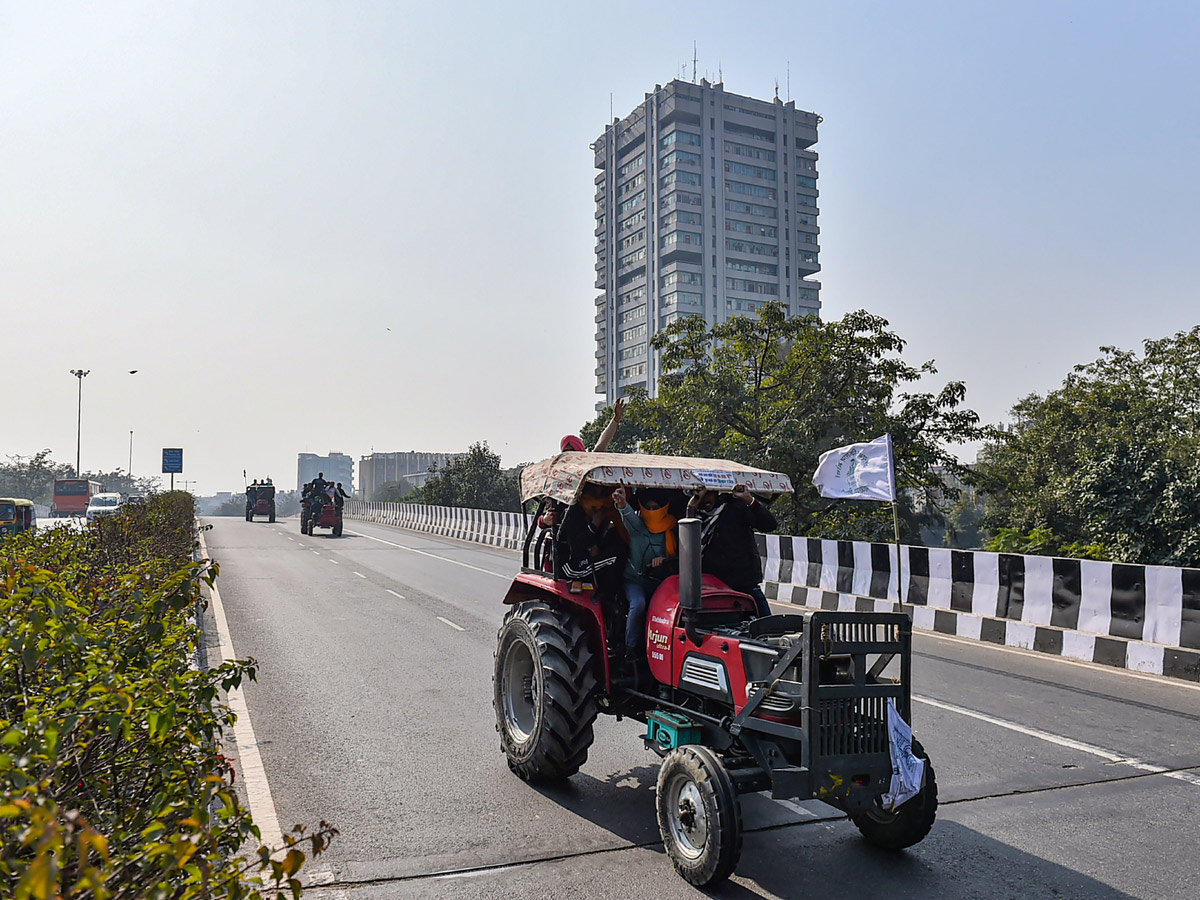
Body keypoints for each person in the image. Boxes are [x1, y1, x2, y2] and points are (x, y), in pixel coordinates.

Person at [687, 483, 778, 618]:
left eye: (709, 493)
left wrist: (749, 500)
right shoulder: (690, 514)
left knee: (767, 624)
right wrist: (694, 501)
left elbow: (769, 525)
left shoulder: (734, 507)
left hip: (743, 579)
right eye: (702, 493)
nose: (706, 497)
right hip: (708, 583)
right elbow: (685, 538)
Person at [613, 485, 678, 657]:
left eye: (655, 508)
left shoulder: (673, 528)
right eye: (647, 508)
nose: (651, 511)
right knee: (639, 603)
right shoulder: (639, 528)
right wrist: (621, 503)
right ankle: (631, 648)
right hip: (634, 581)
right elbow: (627, 516)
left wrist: (665, 561)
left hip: (661, 583)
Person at [560, 397, 625, 454]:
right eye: (566, 452)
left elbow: (603, 441)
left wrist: (616, 418)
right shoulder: (558, 467)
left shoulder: (590, 462)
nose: (569, 454)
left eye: (572, 450)